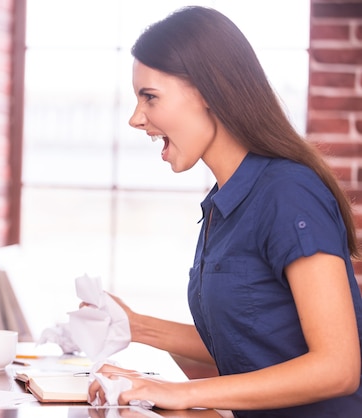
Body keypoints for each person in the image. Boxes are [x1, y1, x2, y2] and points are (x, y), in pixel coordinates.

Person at [88, 6, 362, 417]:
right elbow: (254, 339)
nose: (135, 118)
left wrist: (181, 392)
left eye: (150, 97)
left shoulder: (287, 193)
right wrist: (137, 327)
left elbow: (338, 369)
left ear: (207, 92)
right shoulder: (226, 200)